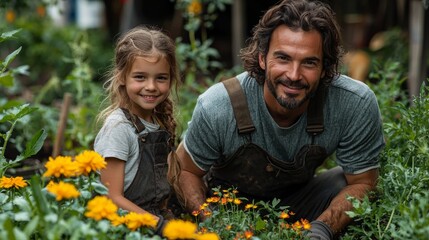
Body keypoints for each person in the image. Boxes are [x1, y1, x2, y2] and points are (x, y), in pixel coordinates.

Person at [169, 0, 385, 239]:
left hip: (302, 206)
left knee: (342, 181)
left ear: (326, 67)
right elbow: (184, 172)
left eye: (309, 62)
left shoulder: (353, 102)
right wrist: (216, 226)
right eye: (283, 58)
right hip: (227, 208)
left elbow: (363, 182)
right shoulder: (219, 105)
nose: (294, 75)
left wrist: (322, 229)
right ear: (262, 58)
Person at [94, 26, 180, 234]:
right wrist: (162, 227)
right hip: (122, 228)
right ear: (122, 77)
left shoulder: (157, 122)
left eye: (161, 78)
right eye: (140, 77)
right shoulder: (119, 129)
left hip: (150, 223)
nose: (151, 86)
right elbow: (112, 198)